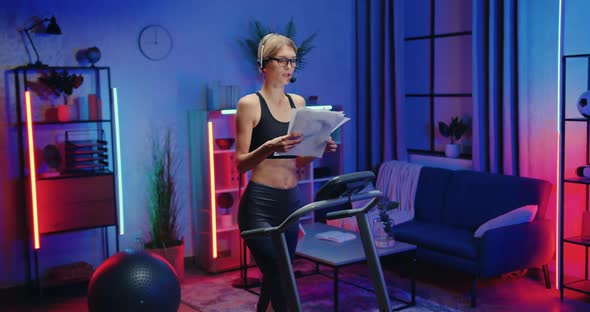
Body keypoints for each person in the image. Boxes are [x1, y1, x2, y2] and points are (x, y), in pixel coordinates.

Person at [235, 33, 337, 312]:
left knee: (277, 278)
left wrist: (319, 147)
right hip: (259, 206)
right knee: (282, 278)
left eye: (293, 61)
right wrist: (269, 145)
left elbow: (299, 160)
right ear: (263, 65)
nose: (288, 66)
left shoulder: (299, 103)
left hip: (291, 204)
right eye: (282, 60)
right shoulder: (249, 105)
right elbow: (240, 163)